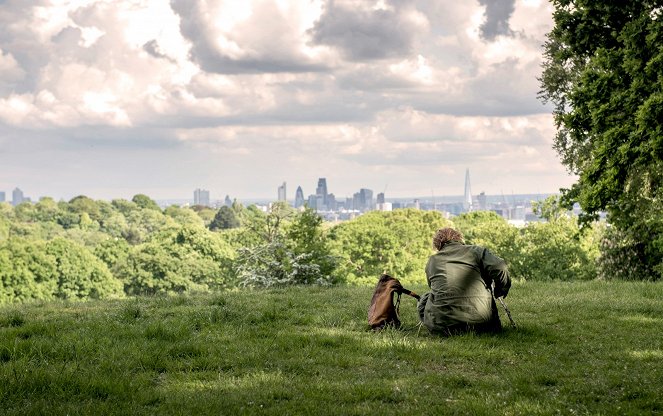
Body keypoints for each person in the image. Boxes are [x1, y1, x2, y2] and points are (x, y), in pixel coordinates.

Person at [418, 227, 511, 336]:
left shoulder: (432, 260)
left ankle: (437, 327)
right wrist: (501, 288)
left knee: (425, 298)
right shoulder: (476, 251)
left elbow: (433, 287)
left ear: (437, 244)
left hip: (443, 328)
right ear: (459, 238)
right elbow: (500, 267)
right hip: (482, 325)